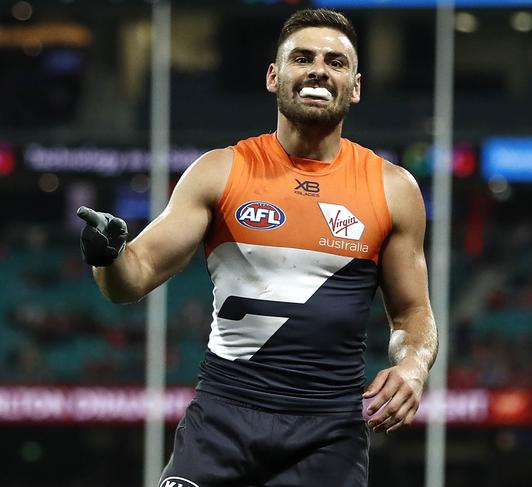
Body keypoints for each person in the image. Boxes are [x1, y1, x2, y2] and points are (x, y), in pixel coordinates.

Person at [77, 8, 437, 487]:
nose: (317, 70)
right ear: (274, 76)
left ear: (354, 87)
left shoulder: (393, 189)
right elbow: (132, 278)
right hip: (224, 419)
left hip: (328, 434)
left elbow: (413, 316)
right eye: (302, 58)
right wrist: (108, 256)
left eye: (335, 62)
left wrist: (412, 366)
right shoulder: (219, 171)